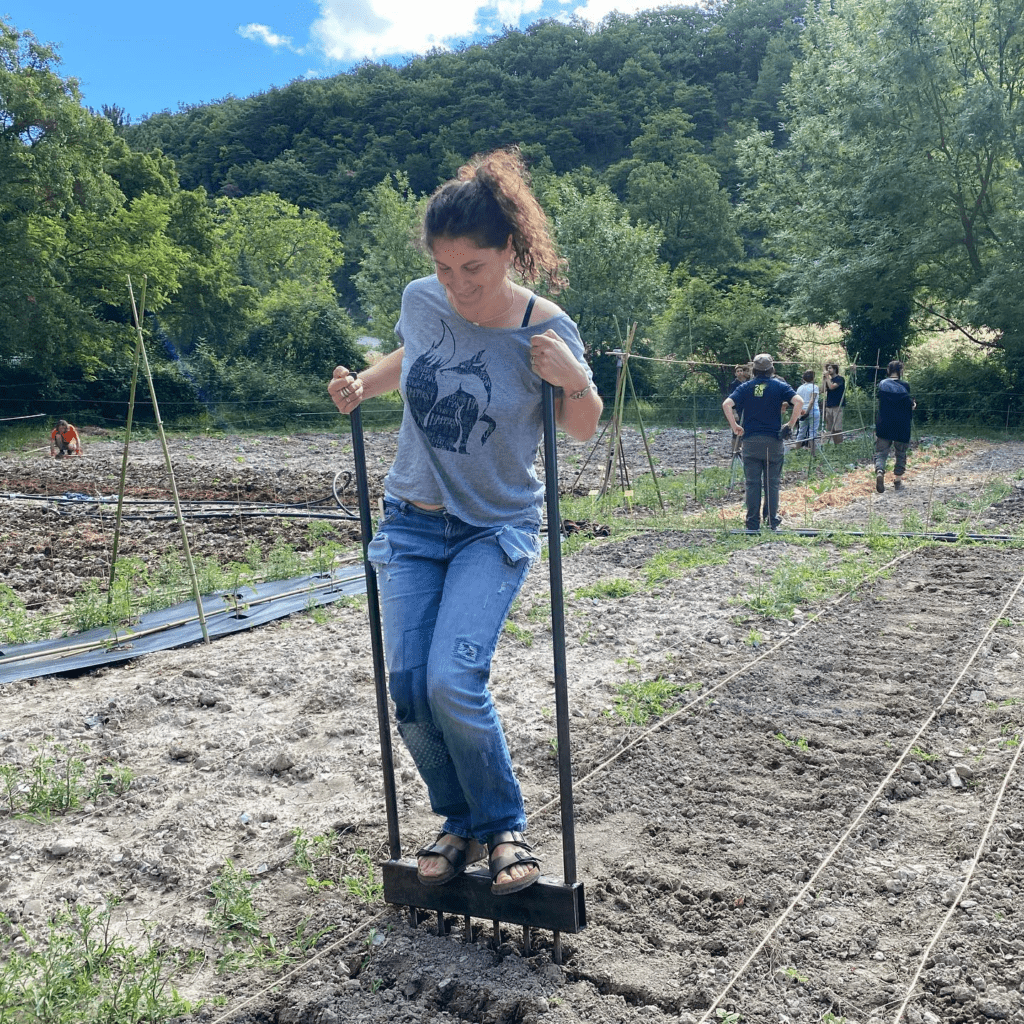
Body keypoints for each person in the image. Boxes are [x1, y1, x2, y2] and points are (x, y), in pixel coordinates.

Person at [329, 147, 601, 896]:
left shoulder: (545, 329)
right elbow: (413, 352)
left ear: (508, 252)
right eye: (445, 270)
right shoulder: (424, 300)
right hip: (412, 522)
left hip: (494, 527)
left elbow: (582, 427)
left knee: (454, 679)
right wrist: (365, 386)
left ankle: (503, 822)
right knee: (410, 688)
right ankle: (456, 822)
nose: (457, 287)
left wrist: (573, 380)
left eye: (472, 270)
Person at [722, 353, 803, 533]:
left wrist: (735, 426)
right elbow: (799, 401)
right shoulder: (780, 386)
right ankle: (772, 520)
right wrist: (789, 425)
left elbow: (727, 404)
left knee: (752, 483)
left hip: (751, 441)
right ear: (772, 369)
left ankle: (752, 523)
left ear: (753, 370)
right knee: (772, 483)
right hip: (773, 441)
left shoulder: (745, 387)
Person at [874, 360, 915, 492]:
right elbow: (908, 404)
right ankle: (897, 482)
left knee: (881, 453)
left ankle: (880, 471)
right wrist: (913, 405)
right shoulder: (905, 385)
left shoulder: (882, 385)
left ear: (888, 370)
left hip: (884, 423)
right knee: (901, 453)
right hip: (901, 425)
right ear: (900, 371)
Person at [794, 370, 820, 449]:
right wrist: (807, 412)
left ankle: (797, 451)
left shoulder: (799, 388)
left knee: (801, 432)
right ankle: (813, 453)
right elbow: (811, 401)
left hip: (802, 411)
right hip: (813, 411)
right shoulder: (814, 387)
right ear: (813, 378)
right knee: (812, 432)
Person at [822, 362, 845, 443]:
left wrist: (827, 378)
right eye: (827, 368)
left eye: (830, 368)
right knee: (830, 427)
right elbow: (822, 390)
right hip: (829, 405)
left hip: (837, 405)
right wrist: (824, 379)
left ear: (835, 369)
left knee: (837, 427)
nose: (828, 370)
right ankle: (835, 444)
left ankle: (839, 445)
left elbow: (832, 387)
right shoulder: (829, 379)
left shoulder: (840, 379)